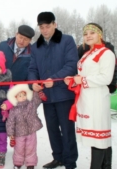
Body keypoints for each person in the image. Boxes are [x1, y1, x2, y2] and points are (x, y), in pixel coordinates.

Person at [28, 12, 78, 169]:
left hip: (63, 94)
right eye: (41, 27)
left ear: (55, 24)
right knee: (52, 129)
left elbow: (71, 65)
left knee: (67, 129)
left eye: (47, 26)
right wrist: (33, 83)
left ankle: (70, 162)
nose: (44, 30)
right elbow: (32, 68)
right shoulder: (36, 46)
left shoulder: (67, 40)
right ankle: (58, 158)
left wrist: (55, 79)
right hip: (47, 96)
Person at [64, 23, 115, 169]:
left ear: (100, 34)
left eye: (92, 33)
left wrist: (83, 80)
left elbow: (106, 78)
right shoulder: (87, 53)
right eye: (86, 33)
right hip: (86, 99)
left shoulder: (106, 53)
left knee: (99, 137)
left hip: (97, 99)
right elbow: (83, 74)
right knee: (95, 138)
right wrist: (74, 79)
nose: (88, 36)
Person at [4, 84, 43, 169]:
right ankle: (18, 162)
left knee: (31, 147)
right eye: (20, 96)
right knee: (19, 148)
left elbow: (37, 100)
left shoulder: (31, 104)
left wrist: (35, 91)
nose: (23, 97)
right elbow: (10, 121)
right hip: (19, 133)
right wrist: (11, 133)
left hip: (31, 131)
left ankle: (30, 163)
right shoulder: (13, 109)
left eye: (24, 95)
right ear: (15, 98)